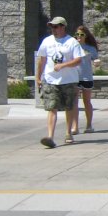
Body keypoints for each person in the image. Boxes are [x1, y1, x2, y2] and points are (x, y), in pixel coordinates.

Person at [35, 16, 84, 148]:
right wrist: (38, 77)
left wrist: (63, 66)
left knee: (69, 107)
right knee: (52, 108)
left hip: (68, 80)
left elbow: (78, 60)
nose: (53, 29)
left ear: (63, 27)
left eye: (56, 26)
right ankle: (50, 136)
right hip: (51, 80)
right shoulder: (47, 41)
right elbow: (42, 60)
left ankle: (68, 133)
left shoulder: (72, 42)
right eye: (52, 26)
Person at [73, 25, 100, 134]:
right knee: (74, 102)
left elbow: (95, 60)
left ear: (86, 36)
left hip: (86, 77)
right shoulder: (72, 46)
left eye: (81, 34)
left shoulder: (90, 48)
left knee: (86, 101)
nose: (79, 36)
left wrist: (97, 62)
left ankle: (89, 125)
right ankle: (75, 126)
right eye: (77, 34)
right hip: (74, 77)